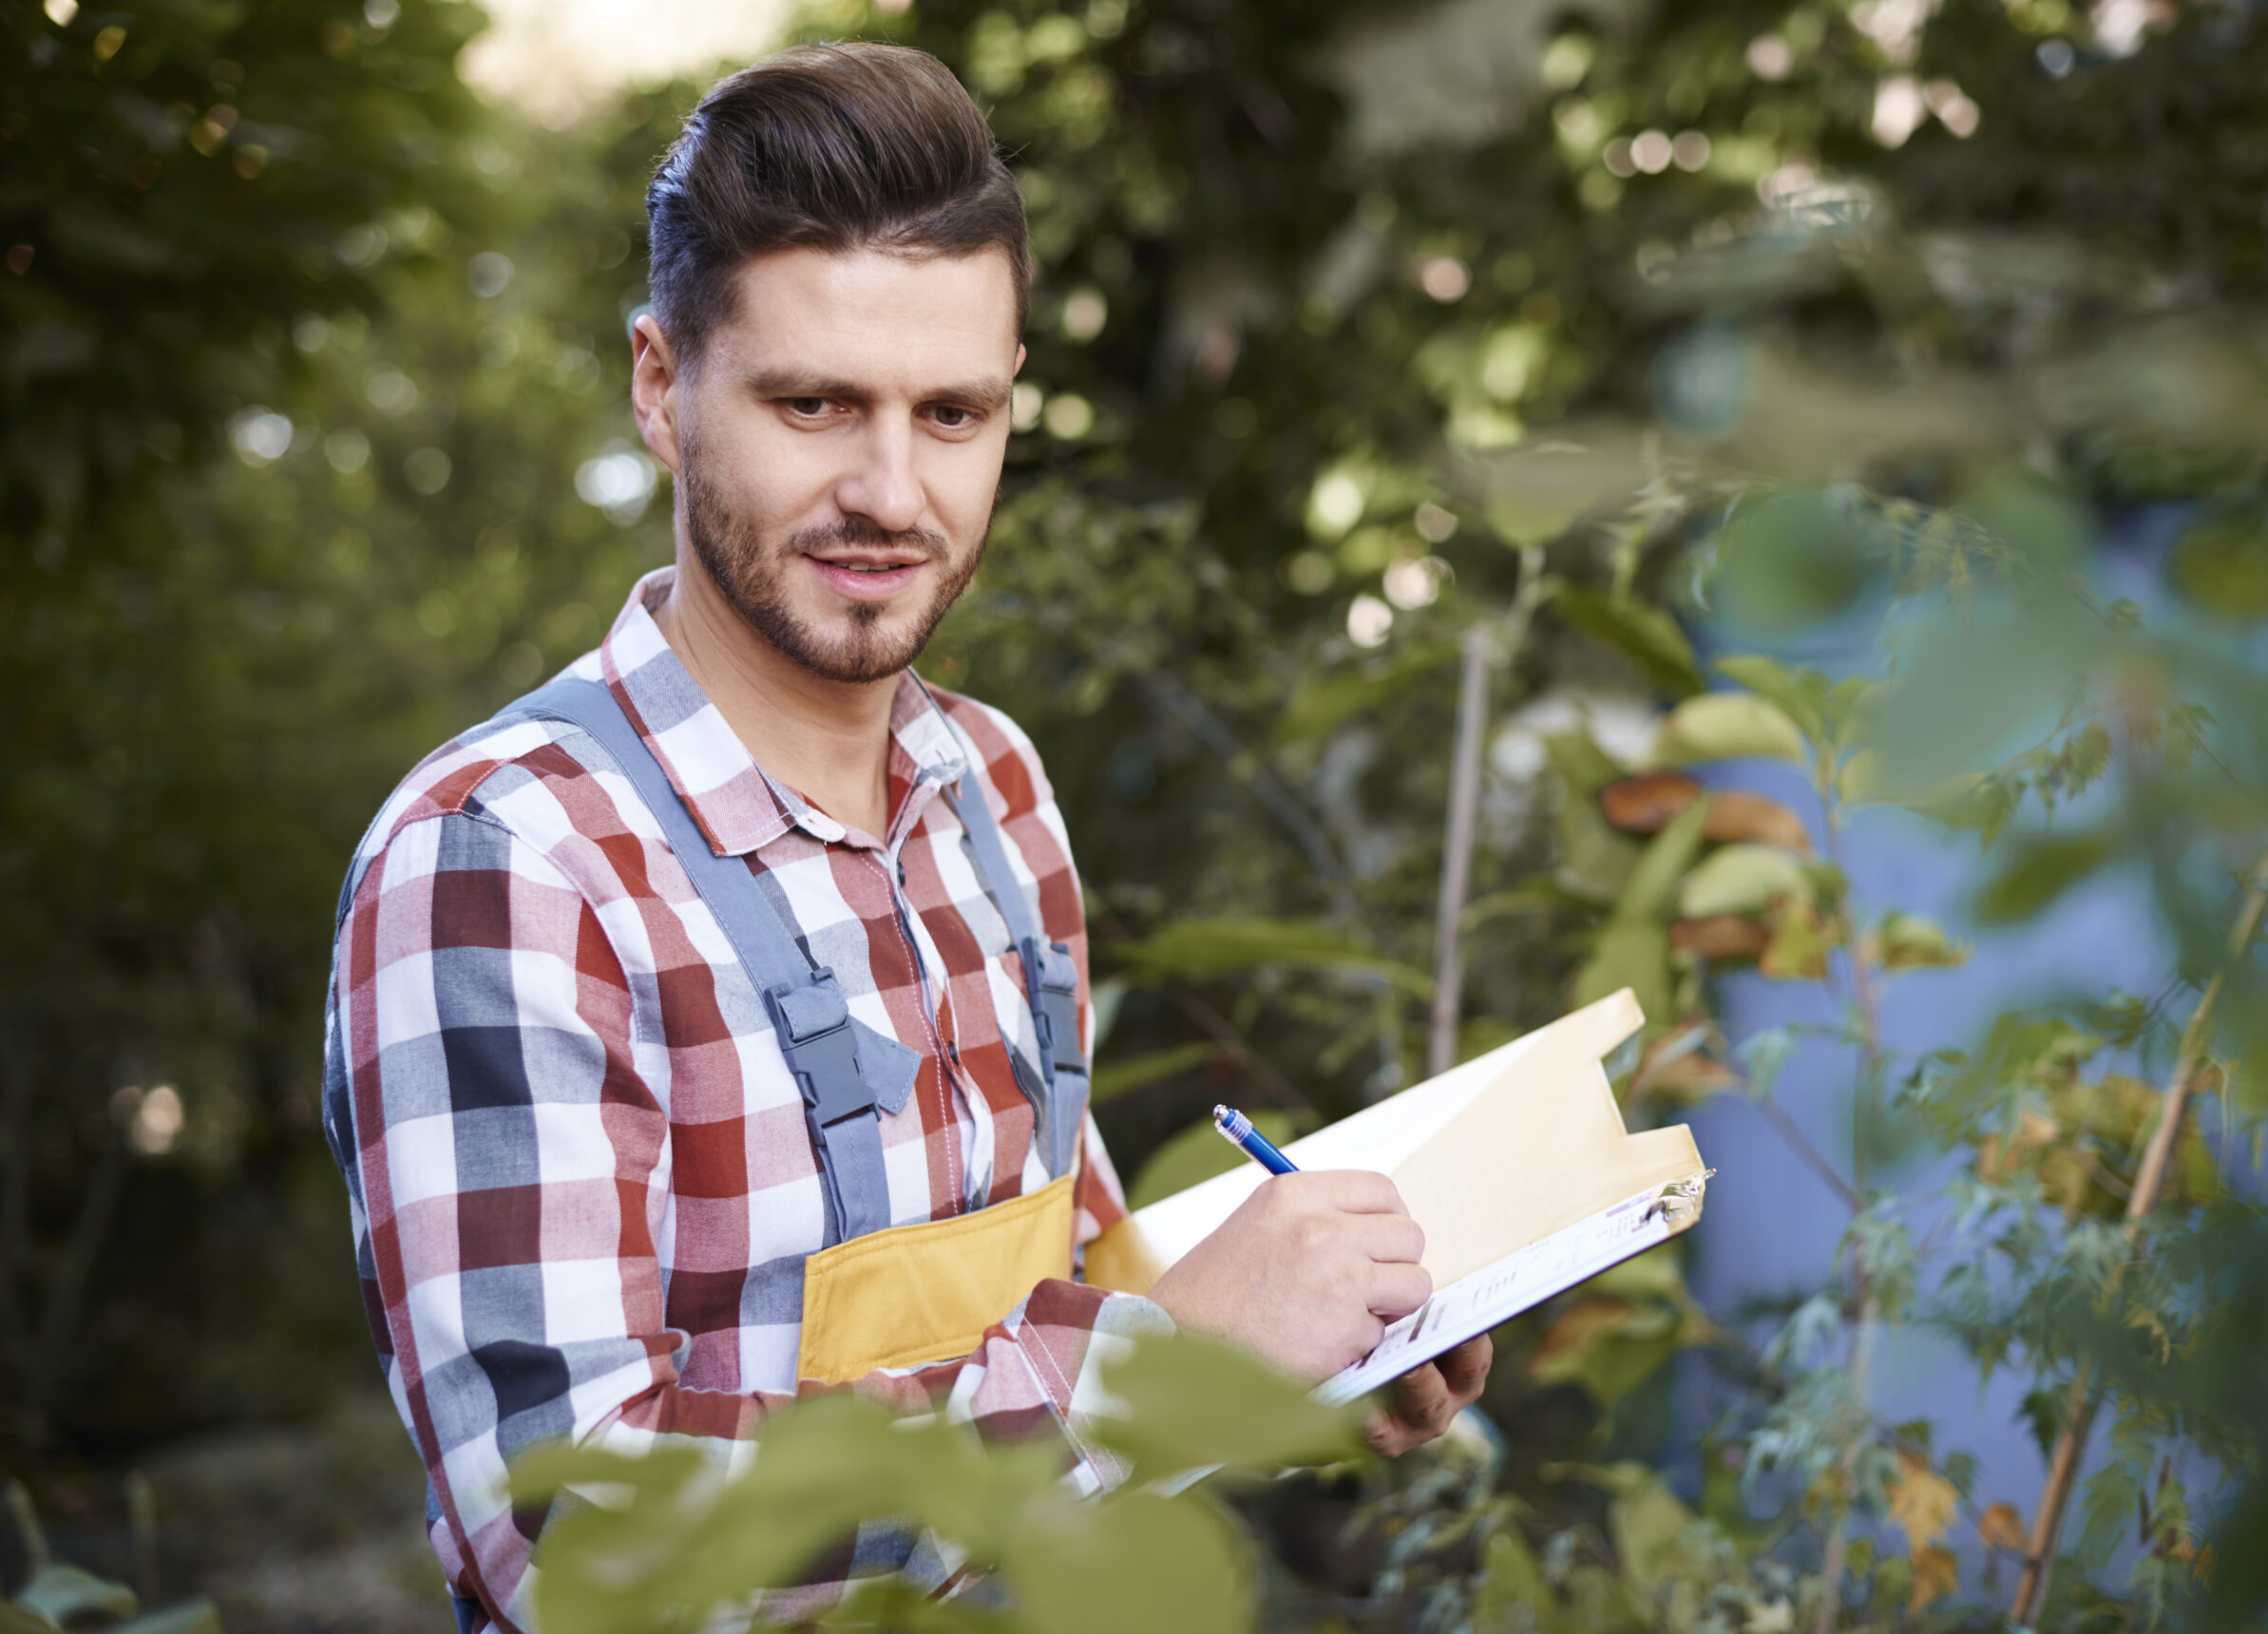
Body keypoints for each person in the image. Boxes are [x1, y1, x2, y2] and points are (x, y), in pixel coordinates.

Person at [321, 41, 1489, 1632]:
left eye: (954, 413)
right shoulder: (506, 863)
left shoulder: (995, 787)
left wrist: (1303, 1348)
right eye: (815, 404)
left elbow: (1055, 1321)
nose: (891, 490)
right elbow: (583, 1546)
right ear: (664, 389)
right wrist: (1167, 1373)